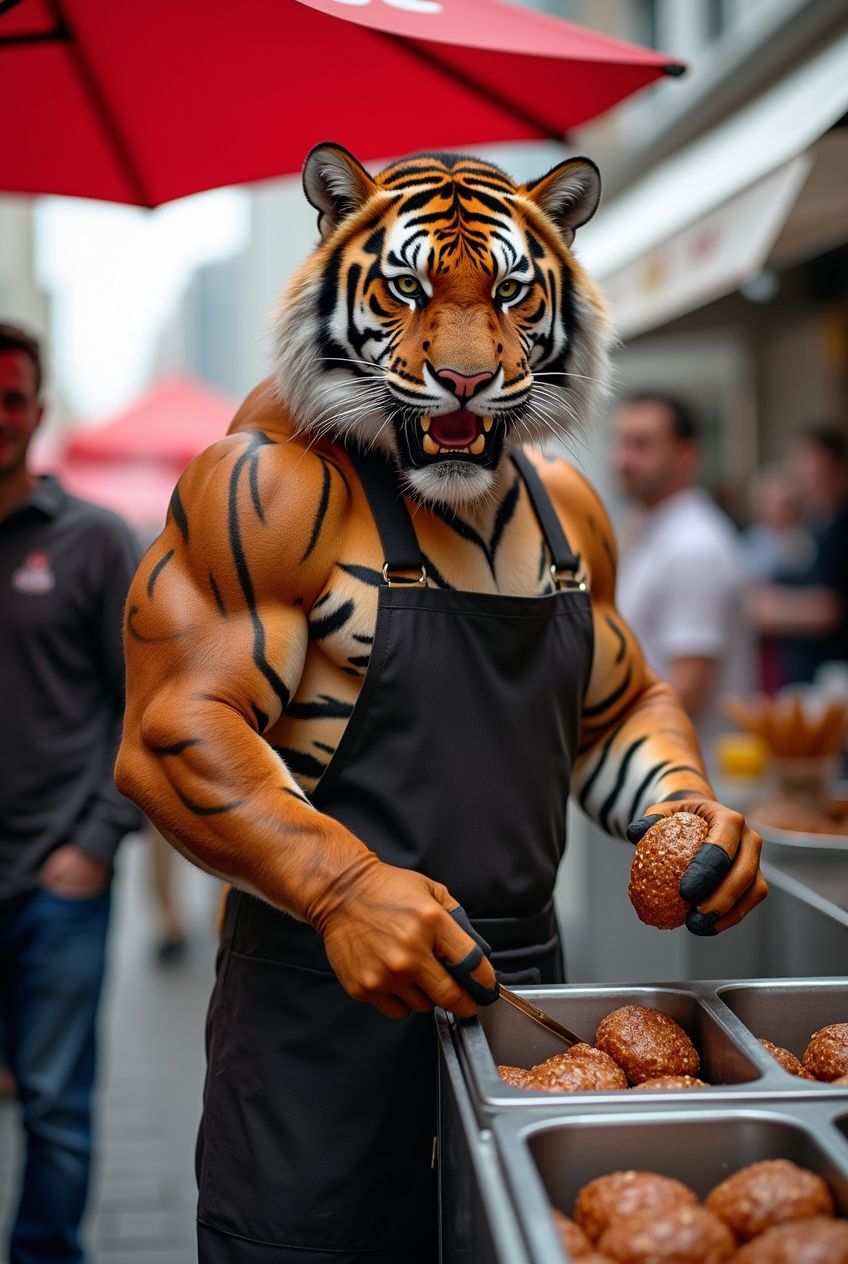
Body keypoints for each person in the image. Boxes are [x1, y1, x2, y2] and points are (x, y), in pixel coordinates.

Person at [115, 144, 766, 1264]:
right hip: (317, 1003)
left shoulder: (564, 508)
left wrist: (679, 810)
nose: (466, 357)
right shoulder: (270, 487)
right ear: (338, 282)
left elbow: (614, 709)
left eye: (511, 298)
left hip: (526, 996)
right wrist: (339, 886)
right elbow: (174, 737)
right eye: (408, 291)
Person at [0, 322, 141, 1264]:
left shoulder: (93, 542)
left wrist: (94, 841)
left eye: (12, 397)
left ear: (37, 411)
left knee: (54, 1103)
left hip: (56, 878)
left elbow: (152, 706)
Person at [611, 392, 753, 771]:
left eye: (641, 444)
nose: (623, 459)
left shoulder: (694, 545)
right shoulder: (653, 528)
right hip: (655, 766)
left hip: (686, 779)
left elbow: (688, 689)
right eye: (621, 442)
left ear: (687, 457)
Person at [748, 426, 848, 686]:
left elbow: (826, 609)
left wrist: (762, 607)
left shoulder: (839, 529)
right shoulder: (810, 526)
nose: (801, 470)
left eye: (810, 460)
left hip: (832, 675)